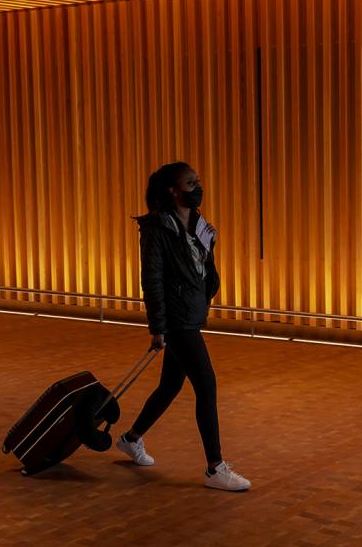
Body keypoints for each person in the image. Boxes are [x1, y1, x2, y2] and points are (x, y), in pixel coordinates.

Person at [115, 161, 251, 492]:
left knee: (170, 385)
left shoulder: (198, 224)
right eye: (190, 184)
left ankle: (131, 439)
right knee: (206, 385)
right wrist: (158, 327)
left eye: (198, 181)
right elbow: (153, 279)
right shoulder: (157, 229)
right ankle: (215, 467)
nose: (197, 188)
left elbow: (204, 269)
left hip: (192, 313)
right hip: (177, 320)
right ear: (173, 191)